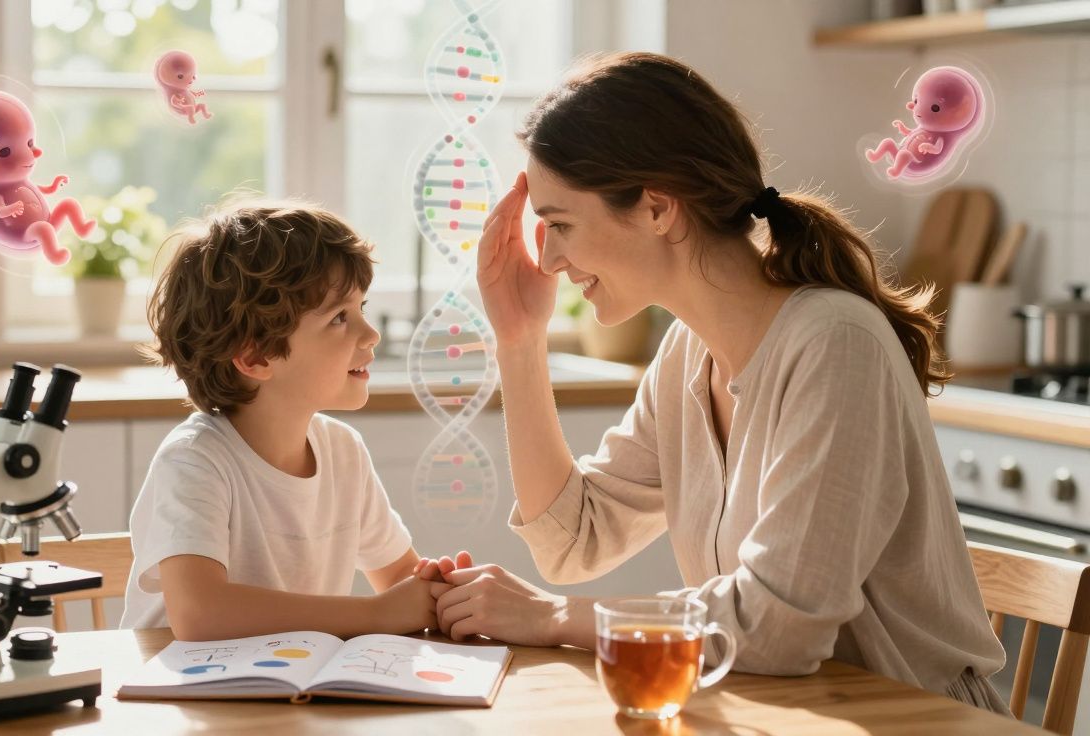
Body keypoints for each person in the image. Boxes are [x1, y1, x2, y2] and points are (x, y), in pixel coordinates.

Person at [415, 52, 1009, 714]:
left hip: (918, 721)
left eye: (560, 224)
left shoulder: (836, 345)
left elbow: (778, 626)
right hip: (797, 713)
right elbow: (572, 541)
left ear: (658, 208)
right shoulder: (686, 355)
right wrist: (519, 342)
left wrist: (555, 618)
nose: (549, 259)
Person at [120, 200, 464, 640]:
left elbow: (398, 574)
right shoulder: (195, 461)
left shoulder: (343, 453)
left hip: (289, 692)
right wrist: (376, 615)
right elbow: (199, 614)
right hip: (188, 703)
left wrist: (441, 593)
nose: (371, 333)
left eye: (361, 308)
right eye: (340, 317)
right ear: (255, 355)